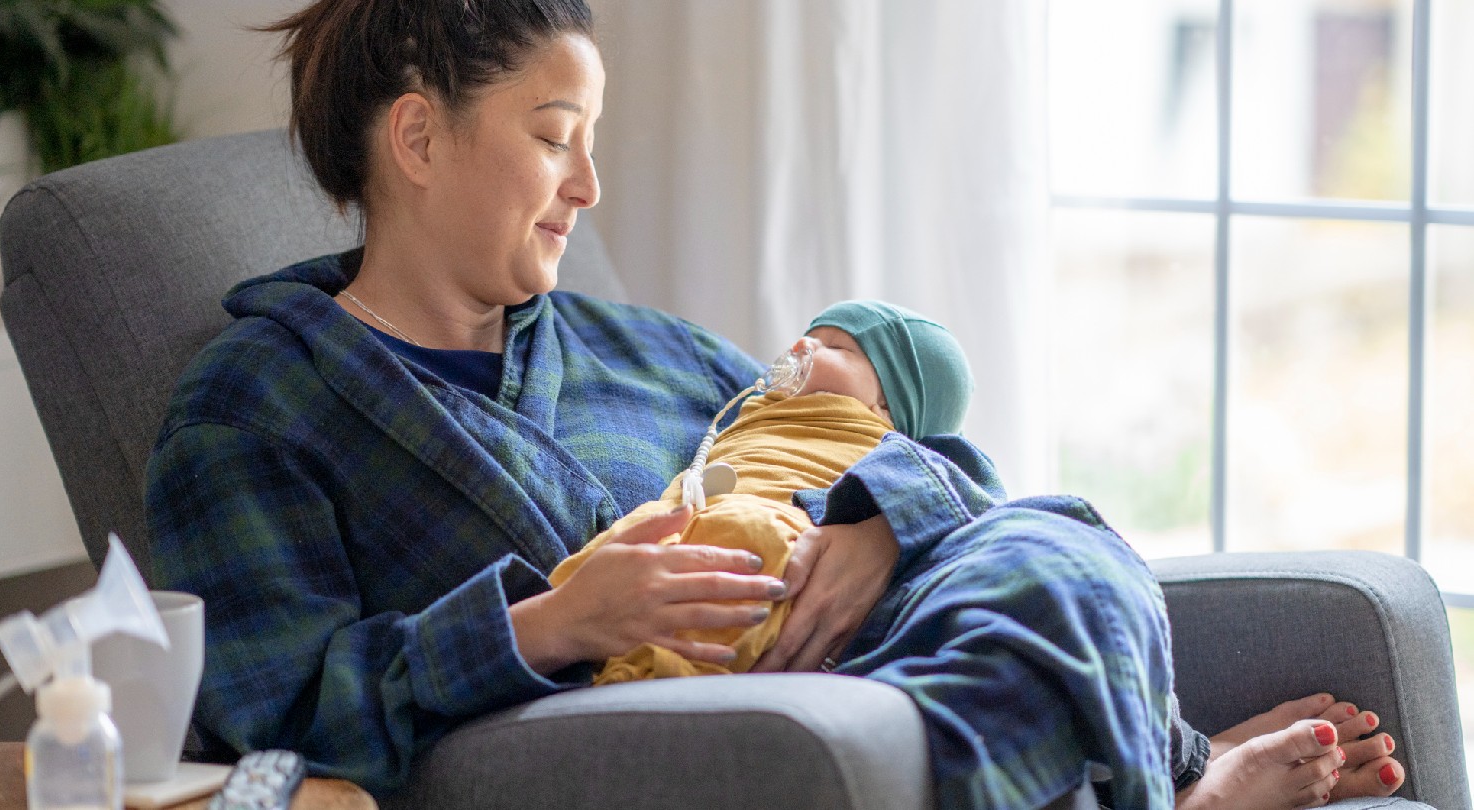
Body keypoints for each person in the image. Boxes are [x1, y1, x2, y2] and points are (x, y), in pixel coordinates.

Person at [141, 1, 1405, 807]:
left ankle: (1156, 773)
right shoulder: (257, 406)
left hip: (893, 640)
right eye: (553, 134)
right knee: (995, 652)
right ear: (417, 140)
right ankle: (1169, 781)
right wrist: (547, 624)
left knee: (1053, 546)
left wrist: (874, 528)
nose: (588, 184)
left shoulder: (632, 345)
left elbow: (862, 441)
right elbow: (269, 712)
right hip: (693, 727)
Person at [550, 299, 975, 683]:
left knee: (748, 540)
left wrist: (884, 533)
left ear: (885, 405)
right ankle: (575, 636)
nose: (801, 347)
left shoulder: (888, 445)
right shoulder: (750, 409)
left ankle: (667, 667)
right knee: (626, 539)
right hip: (689, 513)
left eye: (835, 348)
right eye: (808, 336)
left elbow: (960, 484)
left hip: (782, 521)